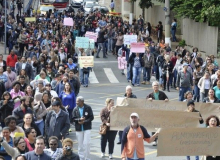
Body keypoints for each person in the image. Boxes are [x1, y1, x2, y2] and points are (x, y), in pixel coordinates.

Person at [146, 81, 168, 146]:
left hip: (161, 113)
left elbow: (167, 99)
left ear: (158, 87)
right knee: (154, 127)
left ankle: (161, 139)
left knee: (161, 126)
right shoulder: (150, 94)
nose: (156, 87)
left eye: (157, 86)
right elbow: (145, 101)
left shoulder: (162, 93)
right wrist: (148, 100)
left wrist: (166, 100)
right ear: (152, 87)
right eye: (154, 86)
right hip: (153, 114)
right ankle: (154, 140)